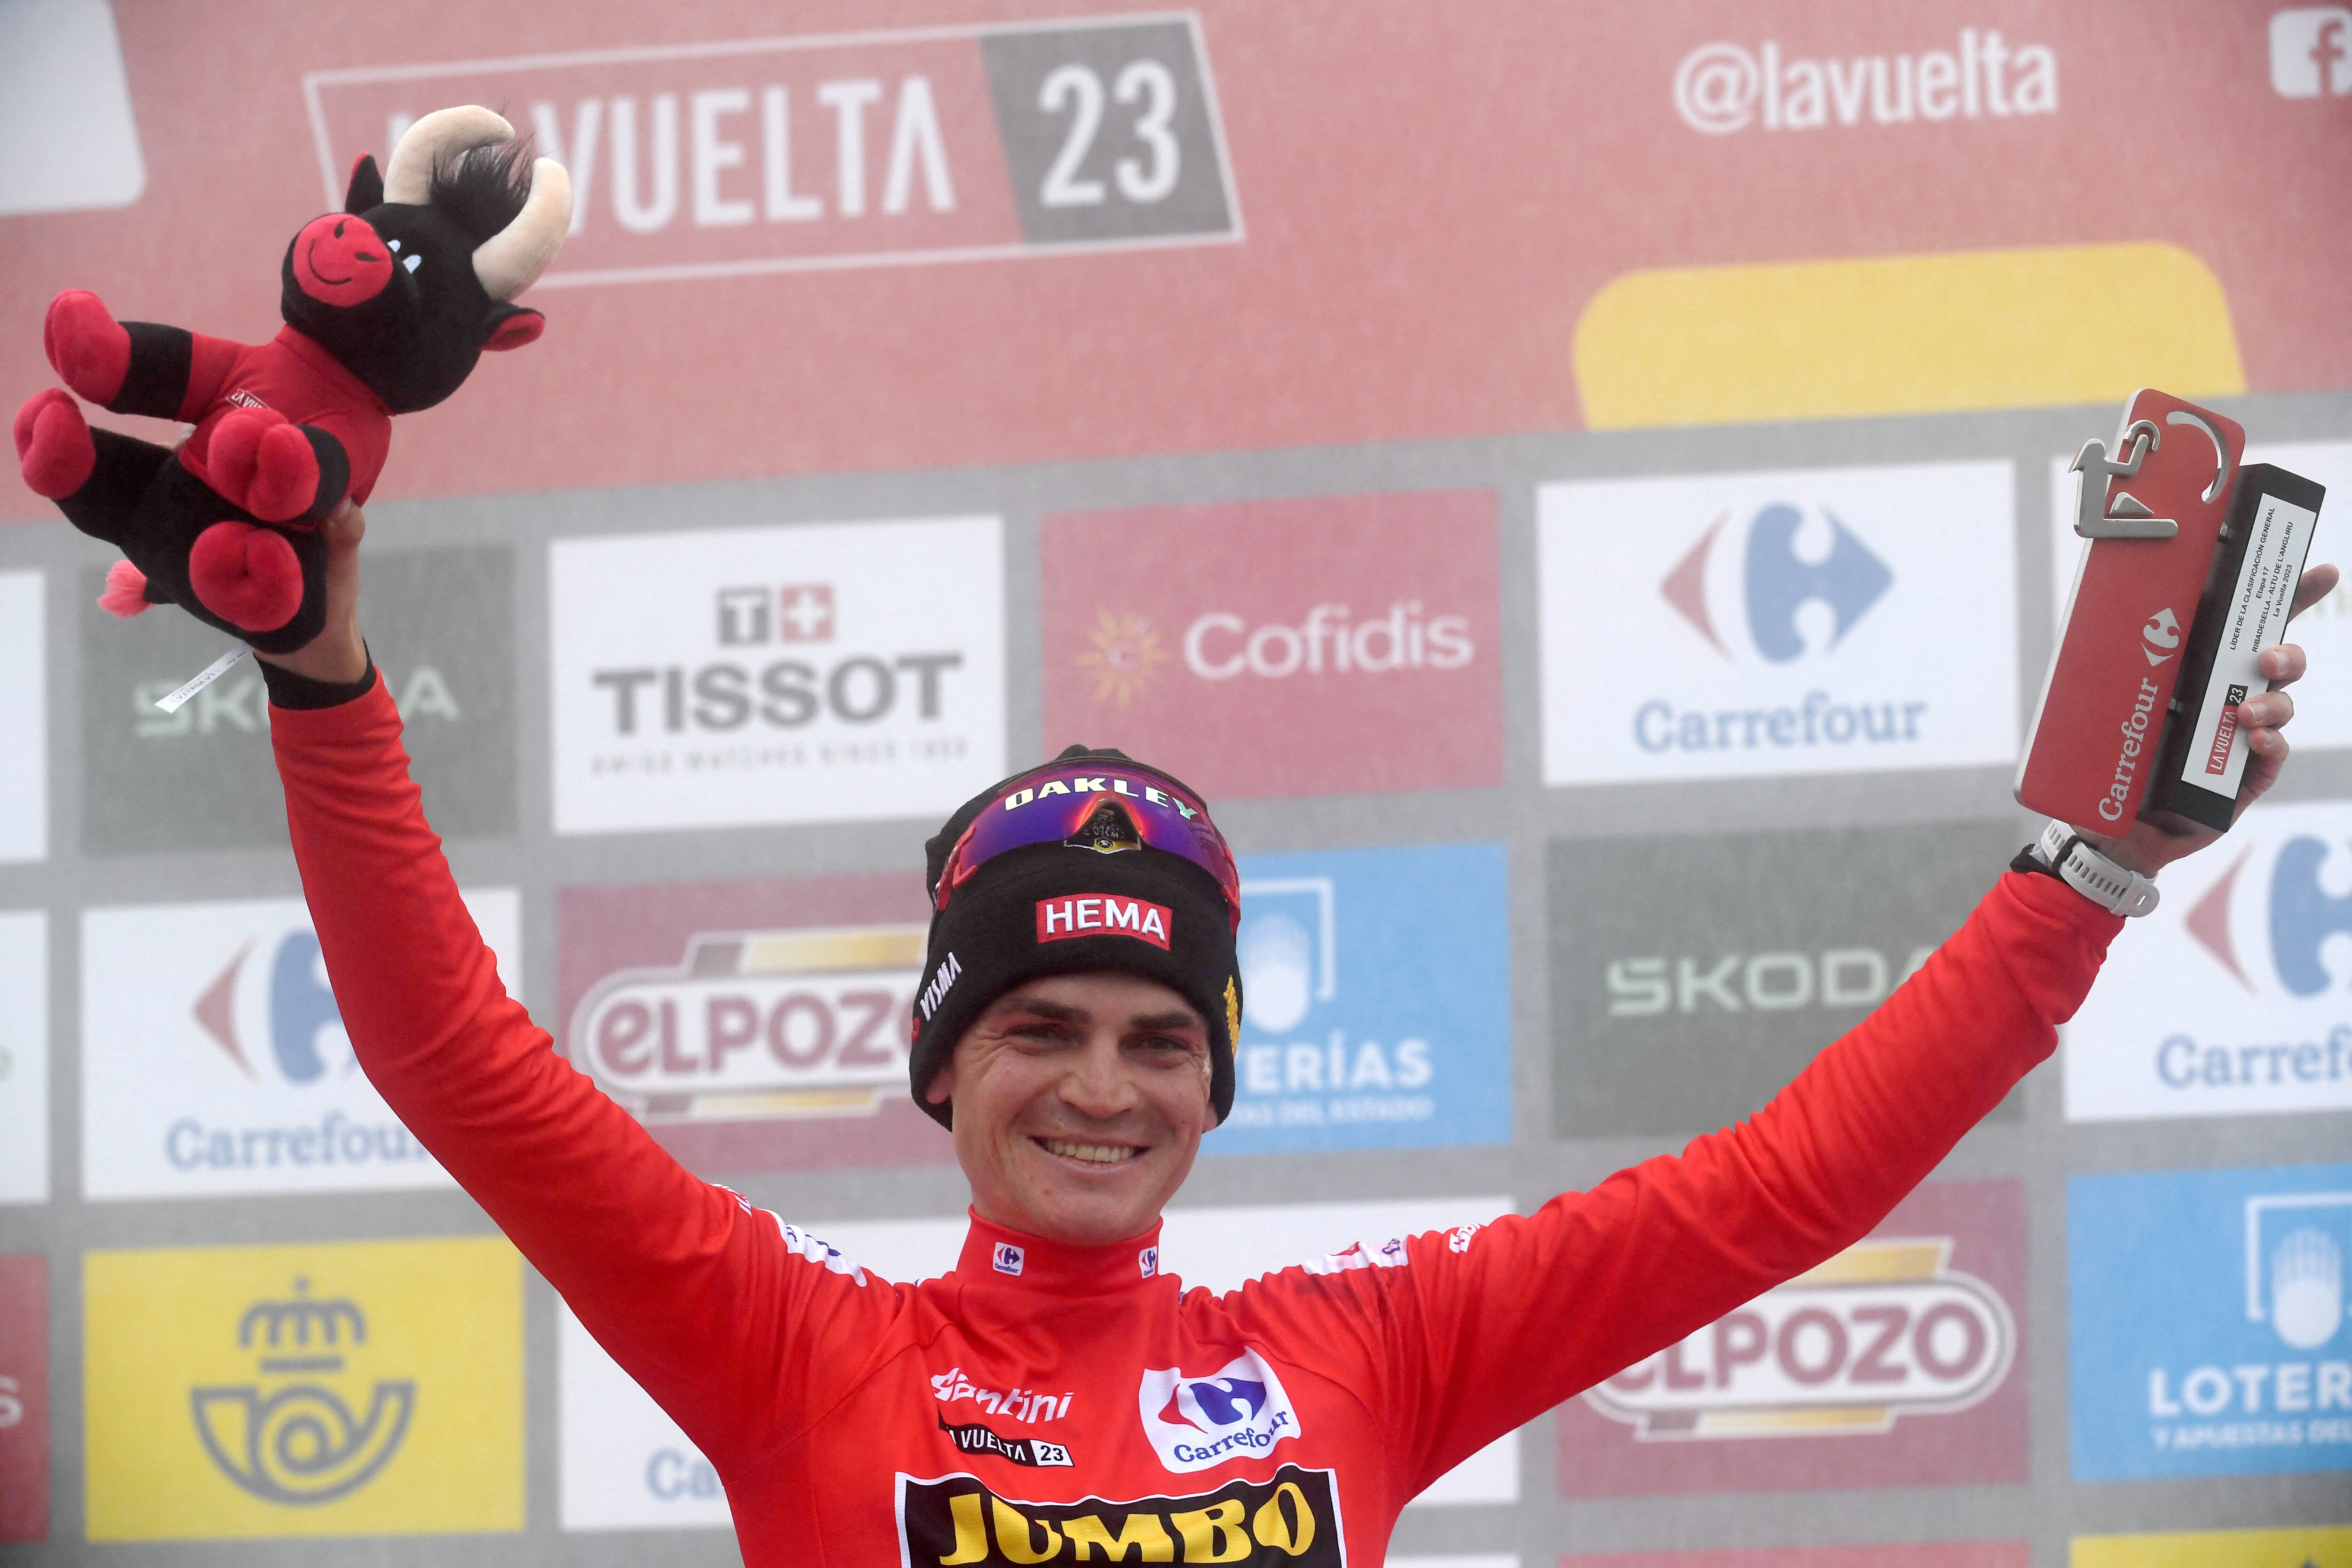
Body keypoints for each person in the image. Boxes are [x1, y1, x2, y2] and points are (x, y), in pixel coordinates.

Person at [259, 502, 2333, 1567]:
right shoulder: (794, 1353)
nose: (1102, 1087)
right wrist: (321, 671)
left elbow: (1779, 1194)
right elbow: (452, 1056)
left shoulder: (1353, 1356)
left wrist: (2087, 876)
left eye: (1161, 1040)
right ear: (940, 1061)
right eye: (1040, 1027)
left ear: (1219, 1077)